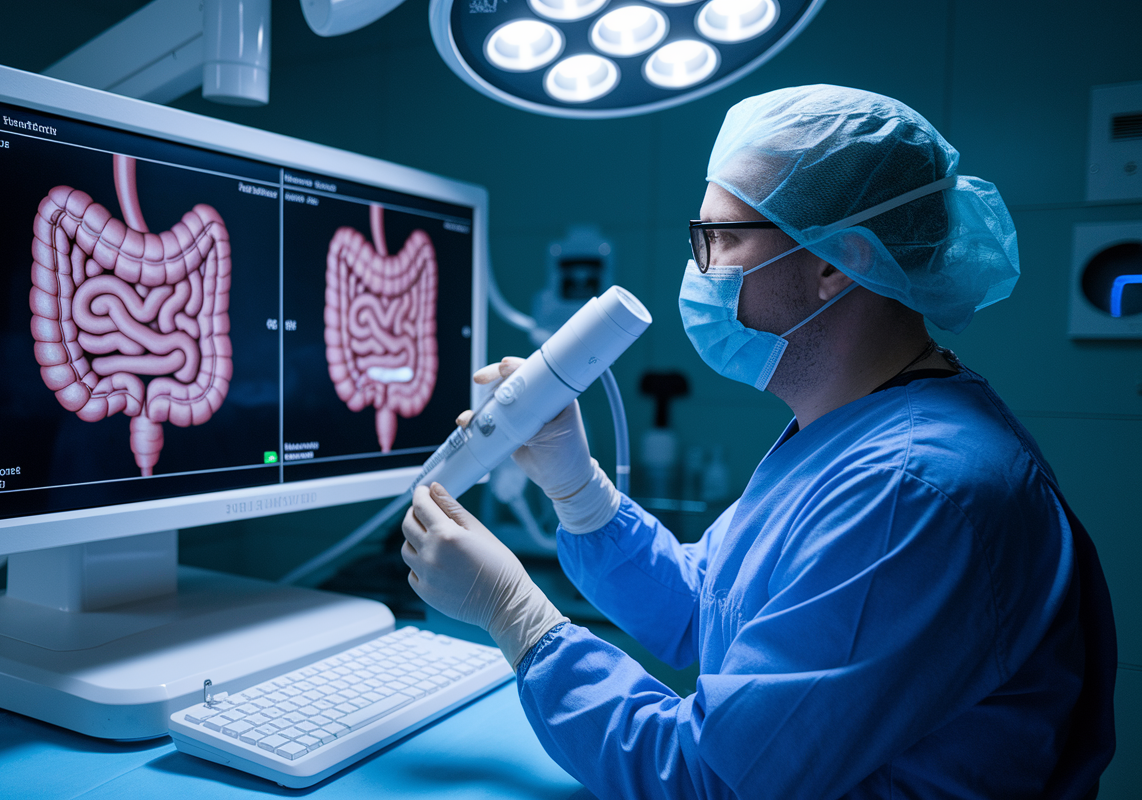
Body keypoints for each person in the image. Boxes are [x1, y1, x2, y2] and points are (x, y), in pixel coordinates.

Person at [400, 85, 1116, 799]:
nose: (700, 269)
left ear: (837, 263)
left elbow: (710, 779)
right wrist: (577, 490)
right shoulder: (851, 430)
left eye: (722, 238)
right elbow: (705, 610)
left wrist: (515, 614)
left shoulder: (914, 491)